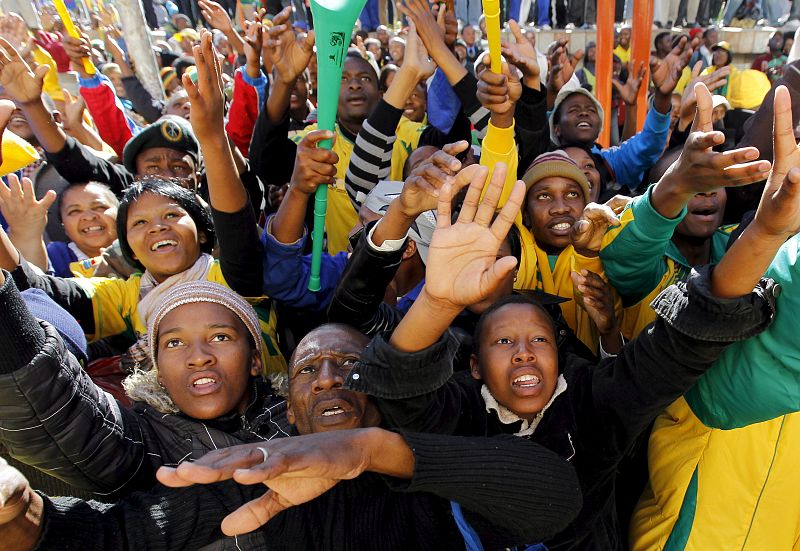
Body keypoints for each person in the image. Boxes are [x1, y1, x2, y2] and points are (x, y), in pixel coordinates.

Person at [346, 119, 780, 550]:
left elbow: (682, 342)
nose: (522, 353)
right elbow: (398, 386)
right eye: (502, 342)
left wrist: (766, 232)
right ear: (473, 367)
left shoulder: (594, 405)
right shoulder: (458, 412)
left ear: (562, 356)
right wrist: (438, 302)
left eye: (539, 340)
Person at [0, 323, 583, 551]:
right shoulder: (254, 480)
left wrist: (369, 452)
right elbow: (111, 537)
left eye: (349, 367)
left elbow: (554, 499)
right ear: (290, 406)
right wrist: (23, 514)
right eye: (308, 368)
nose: (328, 377)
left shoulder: (438, 471)